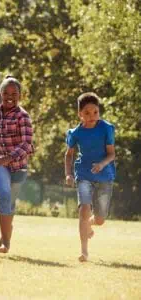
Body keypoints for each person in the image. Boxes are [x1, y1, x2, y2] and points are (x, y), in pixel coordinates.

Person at [0, 75, 34, 254]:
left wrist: (8, 158)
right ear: (0, 94)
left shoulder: (23, 116)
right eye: (6, 93)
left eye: (14, 93)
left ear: (20, 95)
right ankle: (5, 242)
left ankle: (6, 233)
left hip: (19, 166)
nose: (10, 96)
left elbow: (27, 144)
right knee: (4, 195)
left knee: (10, 203)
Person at [64, 92, 116, 262]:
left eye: (95, 112)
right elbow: (69, 154)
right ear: (80, 114)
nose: (92, 116)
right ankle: (84, 251)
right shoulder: (75, 133)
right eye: (87, 113)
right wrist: (69, 173)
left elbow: (111, 154)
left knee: (100, 219)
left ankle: (90, 225)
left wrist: (102, 164)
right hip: (84, 173)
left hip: (105, 175)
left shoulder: (106, 128)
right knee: (84, 210)